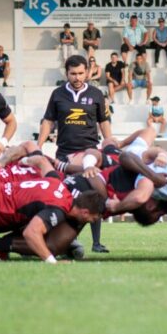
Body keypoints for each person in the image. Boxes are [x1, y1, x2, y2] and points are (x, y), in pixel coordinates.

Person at [37, 54, 113, 253]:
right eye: (73, 74)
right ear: (66, 73)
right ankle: (65, 239)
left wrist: (108, 144)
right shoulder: (57, 94)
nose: (77, 77)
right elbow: (48, 121)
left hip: (89, 153)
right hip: (64, 154)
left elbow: (103, 121)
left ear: (87, 72)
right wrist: (39, 146)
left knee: (94, 196)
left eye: (81, 73)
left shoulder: (96, 94)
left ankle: (96, 242)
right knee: (62, 196)